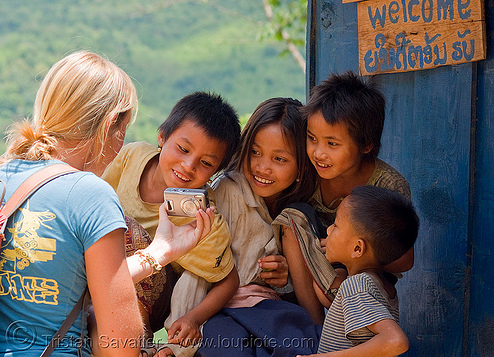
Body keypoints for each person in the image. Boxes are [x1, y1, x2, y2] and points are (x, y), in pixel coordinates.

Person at [0, 51, 214, 357]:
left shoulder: (5, 176)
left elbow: (71, 278)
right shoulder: (90, 194)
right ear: (111, 124)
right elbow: (120, 346)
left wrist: (162, 251)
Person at [101, 91, 241, 357]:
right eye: (183, 149)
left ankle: (135, 345)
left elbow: (228, 280)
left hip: (151, 299)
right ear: (162, 136)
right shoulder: (133, 157)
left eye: (206, 163)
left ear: (216, 173)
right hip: (103, 275)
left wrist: (193, 318)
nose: (188, 166)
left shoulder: (201, 220)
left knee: (130, 232)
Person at [281, 71, 414, 323]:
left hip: (364, 272)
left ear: (366, 145)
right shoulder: (305, 172)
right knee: (292, 218)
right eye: (312, 139)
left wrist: (349, 256)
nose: (318, 153)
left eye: (332, 144)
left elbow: (405, 259)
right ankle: (315, 329)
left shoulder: (387, 185)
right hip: (310, 264)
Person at [197, 97, 321, 357]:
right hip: (218, 307)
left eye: (279, 159)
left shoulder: (299, 212)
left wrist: (285, 278)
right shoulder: (225, 194)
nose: (262, 167)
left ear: (301, 166)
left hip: (270, 308)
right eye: (254, 152)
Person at [297, 185, 419, 356]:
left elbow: (396, 341)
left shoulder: (356, 286)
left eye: (336, 225)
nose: (329, 229)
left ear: (357, 248)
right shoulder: (384, 288)